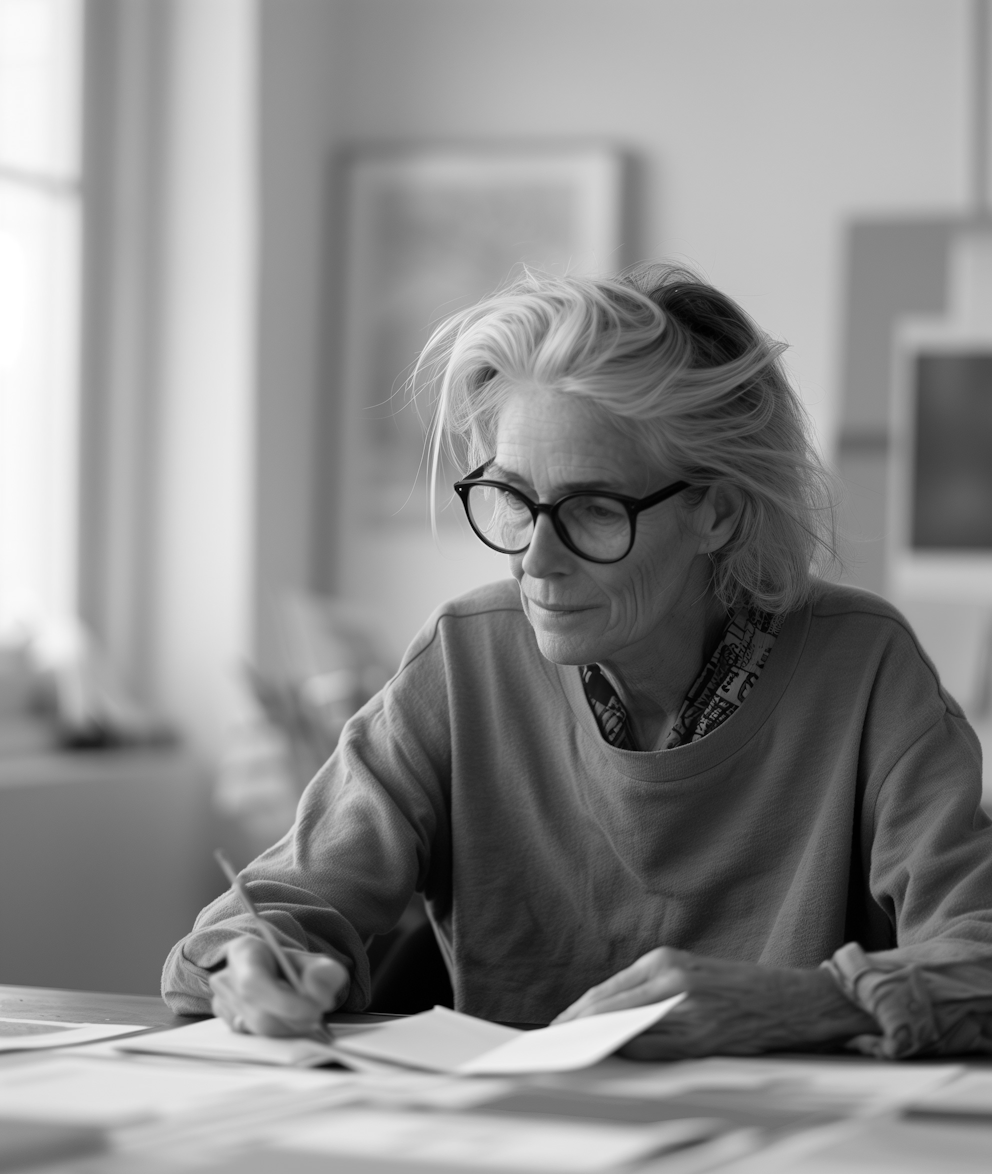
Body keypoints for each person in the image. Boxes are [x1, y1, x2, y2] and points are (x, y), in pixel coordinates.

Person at [163, 265, 992, 1058]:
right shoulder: (467, 656)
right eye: (514, 499)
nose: (535, 558)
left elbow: (979, 955)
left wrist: (790, 1004)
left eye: (594, 509)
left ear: (720, 512)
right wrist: (249, 966)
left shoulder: (864, 668)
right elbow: (259, 919)